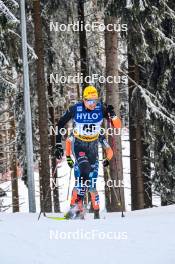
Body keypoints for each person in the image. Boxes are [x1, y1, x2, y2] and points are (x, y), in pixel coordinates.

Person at [55, 85, 121, 219]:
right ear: (84, 100)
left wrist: (112, 115)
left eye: (95, 101)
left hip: (93, 146)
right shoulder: (75, 109)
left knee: (88, 179)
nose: (93, 104)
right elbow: (60, 123)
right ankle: (77, 207)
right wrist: (58, 145)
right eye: (90, 101)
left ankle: (84, 208)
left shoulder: (100, 109)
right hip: (79, 144)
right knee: (84, 169)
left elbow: (118, 126)